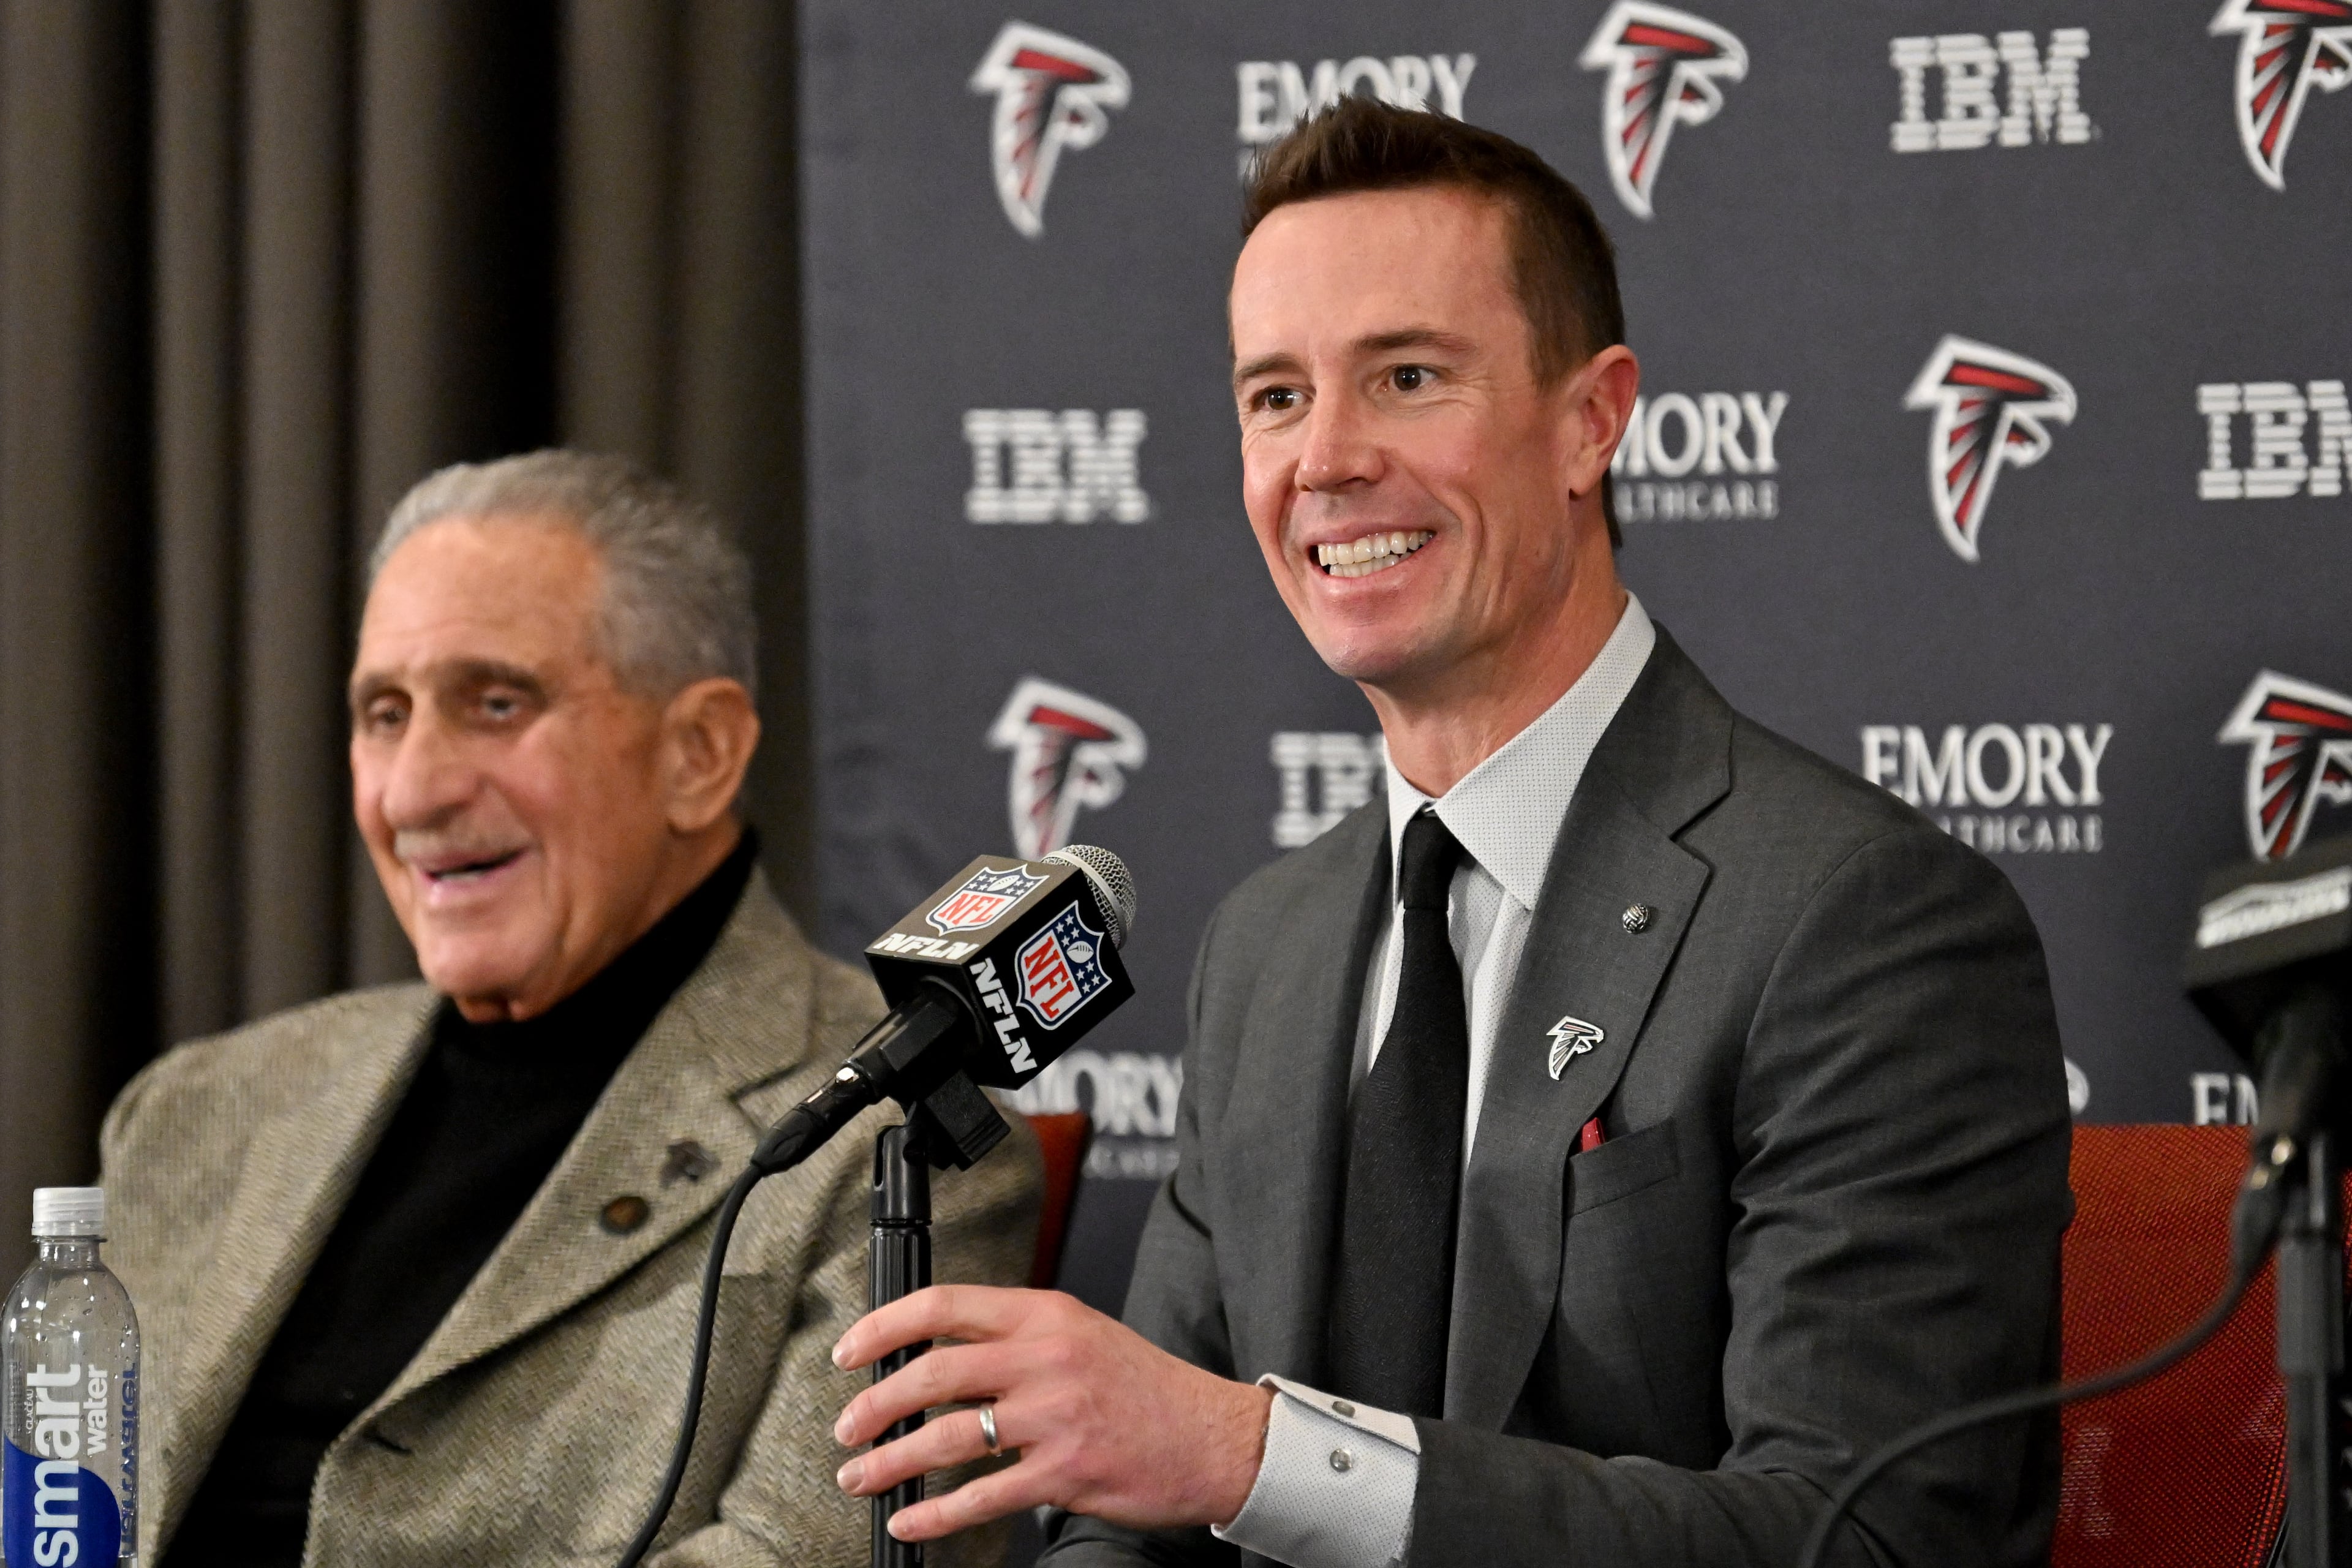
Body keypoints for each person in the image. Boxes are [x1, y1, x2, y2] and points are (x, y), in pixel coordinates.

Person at [826, 100, 2071, 1567]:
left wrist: (1249, 1451)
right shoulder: (1269, 945)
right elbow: (1128, 1522)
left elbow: (1862, 1540)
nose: (1327, 460)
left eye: (1407, 376)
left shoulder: (1862, 919)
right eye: (1275, 398)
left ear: (1591, 420)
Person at [99, 450, 1041, 1567]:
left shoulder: (894, 1143)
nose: (413, 792)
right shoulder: (193, 1111)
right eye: (383, 714)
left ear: (700, 752)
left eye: (497, 704)